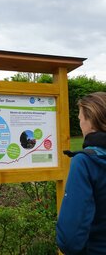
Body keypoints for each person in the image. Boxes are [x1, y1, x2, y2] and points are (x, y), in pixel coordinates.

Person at [56, 92, 106, 254]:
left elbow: (70, 238)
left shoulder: (85, 162)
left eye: (80, 119)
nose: (80, 124)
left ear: (90, 121)